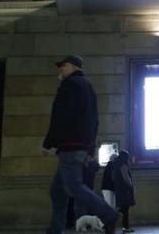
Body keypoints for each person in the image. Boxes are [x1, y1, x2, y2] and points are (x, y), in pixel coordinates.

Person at [43, 55, 119, 234]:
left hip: (70, 146)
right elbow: (94, 121)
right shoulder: (88, 87)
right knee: (57, 191)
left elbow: (59, 116)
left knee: (74, 187)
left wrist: (48, 143)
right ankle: (55, 229)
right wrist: (90, 149)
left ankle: (108, 214)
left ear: (72, 66)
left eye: (63, 66)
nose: (60, 70)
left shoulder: (69, 85)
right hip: (80, 146)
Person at [65, 154, 101, 231]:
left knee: (76, 206)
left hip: (80, 188)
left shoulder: (83, 163)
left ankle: (72, 223)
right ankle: (78, 224)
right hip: (85, 188)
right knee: (81, 207)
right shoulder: (91, 163)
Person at [111, 148, 135, 233]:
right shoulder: (123, 165)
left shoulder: (116, 164)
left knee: (121, 209)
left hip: (119, 190)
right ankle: (125, 227)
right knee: (125, 210)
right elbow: (126, 178)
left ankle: (121, 226)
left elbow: (113, 178)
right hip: (125, 191)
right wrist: (131, 184)